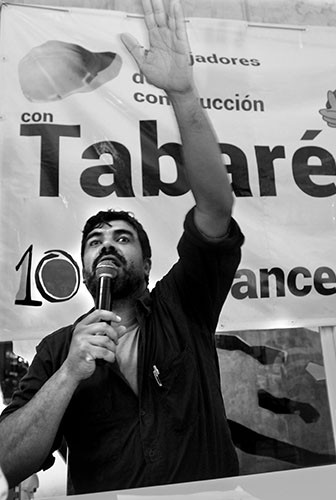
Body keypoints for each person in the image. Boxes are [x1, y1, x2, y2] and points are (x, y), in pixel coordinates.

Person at [0, 0, 244, 494]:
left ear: (148, 262)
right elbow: (9, 461)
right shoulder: (56, 351)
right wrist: (69, 373)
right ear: (84, 265)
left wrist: (183, 93)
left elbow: (216, 209)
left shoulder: (184, 305)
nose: (107, 246)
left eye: (122, 238)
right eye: (95, 241)